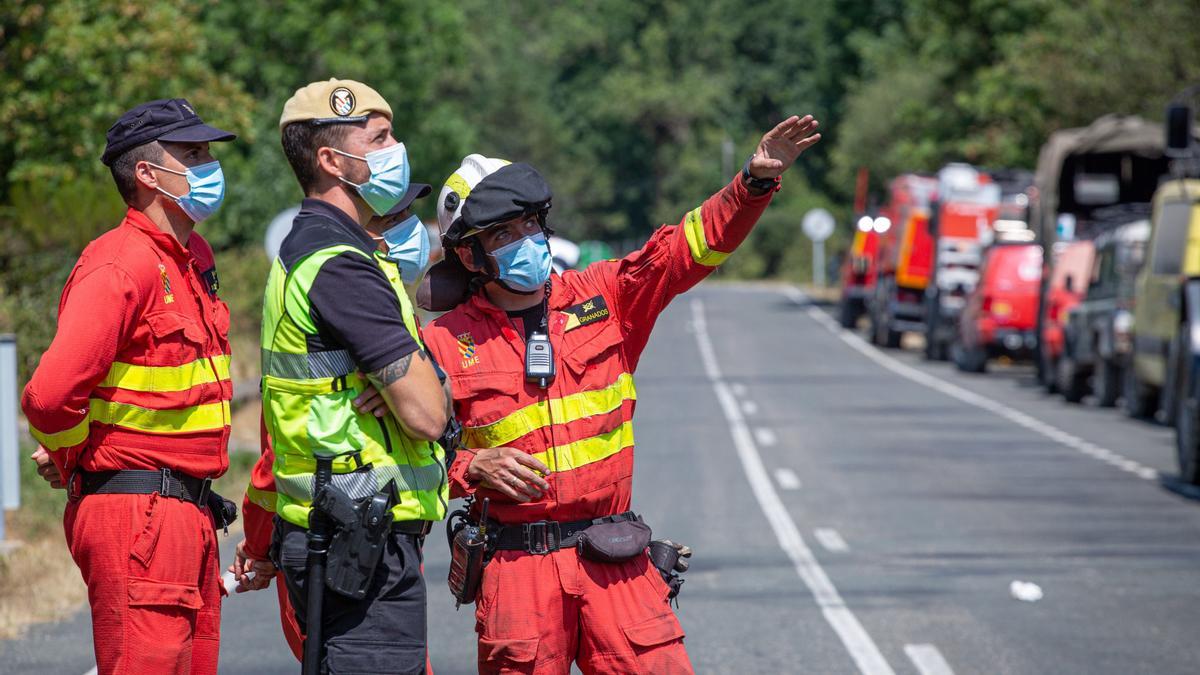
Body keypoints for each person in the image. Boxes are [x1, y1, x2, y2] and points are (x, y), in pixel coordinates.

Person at [419, 115, 820, 674]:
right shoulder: (439, 342)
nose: (525, 241)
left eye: (530, 225)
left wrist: (752, 183)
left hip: (616, 558)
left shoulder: (603, 295)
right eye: (502, 235)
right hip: (516, 574)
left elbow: (689, 247)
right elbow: (411, 455)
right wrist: (471, 466)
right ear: (468, 255)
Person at [21, 98, 237, 674]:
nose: (209, 164)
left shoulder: (192, 257)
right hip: (139, 512)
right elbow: (48, 395)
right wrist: (71, 452)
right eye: (192, 153)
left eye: (207, 152)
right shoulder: (120, 263)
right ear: (147, 173)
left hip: (186, 510)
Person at [257, 78, 450, 674]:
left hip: (346, 528)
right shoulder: (339, 263)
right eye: (382, 138)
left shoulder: (321, 247)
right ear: (332, 161)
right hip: (356, 535)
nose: (399, 148)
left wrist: (408, 387)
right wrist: (419, 391)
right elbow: (426, 413)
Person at [229, 181, 437, 665]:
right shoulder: (343, 307)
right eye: (392, 220)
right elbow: (273, 457)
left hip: (385, 538)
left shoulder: (400, 314)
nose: (408, 232)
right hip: (347, 542)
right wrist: (259, 546)